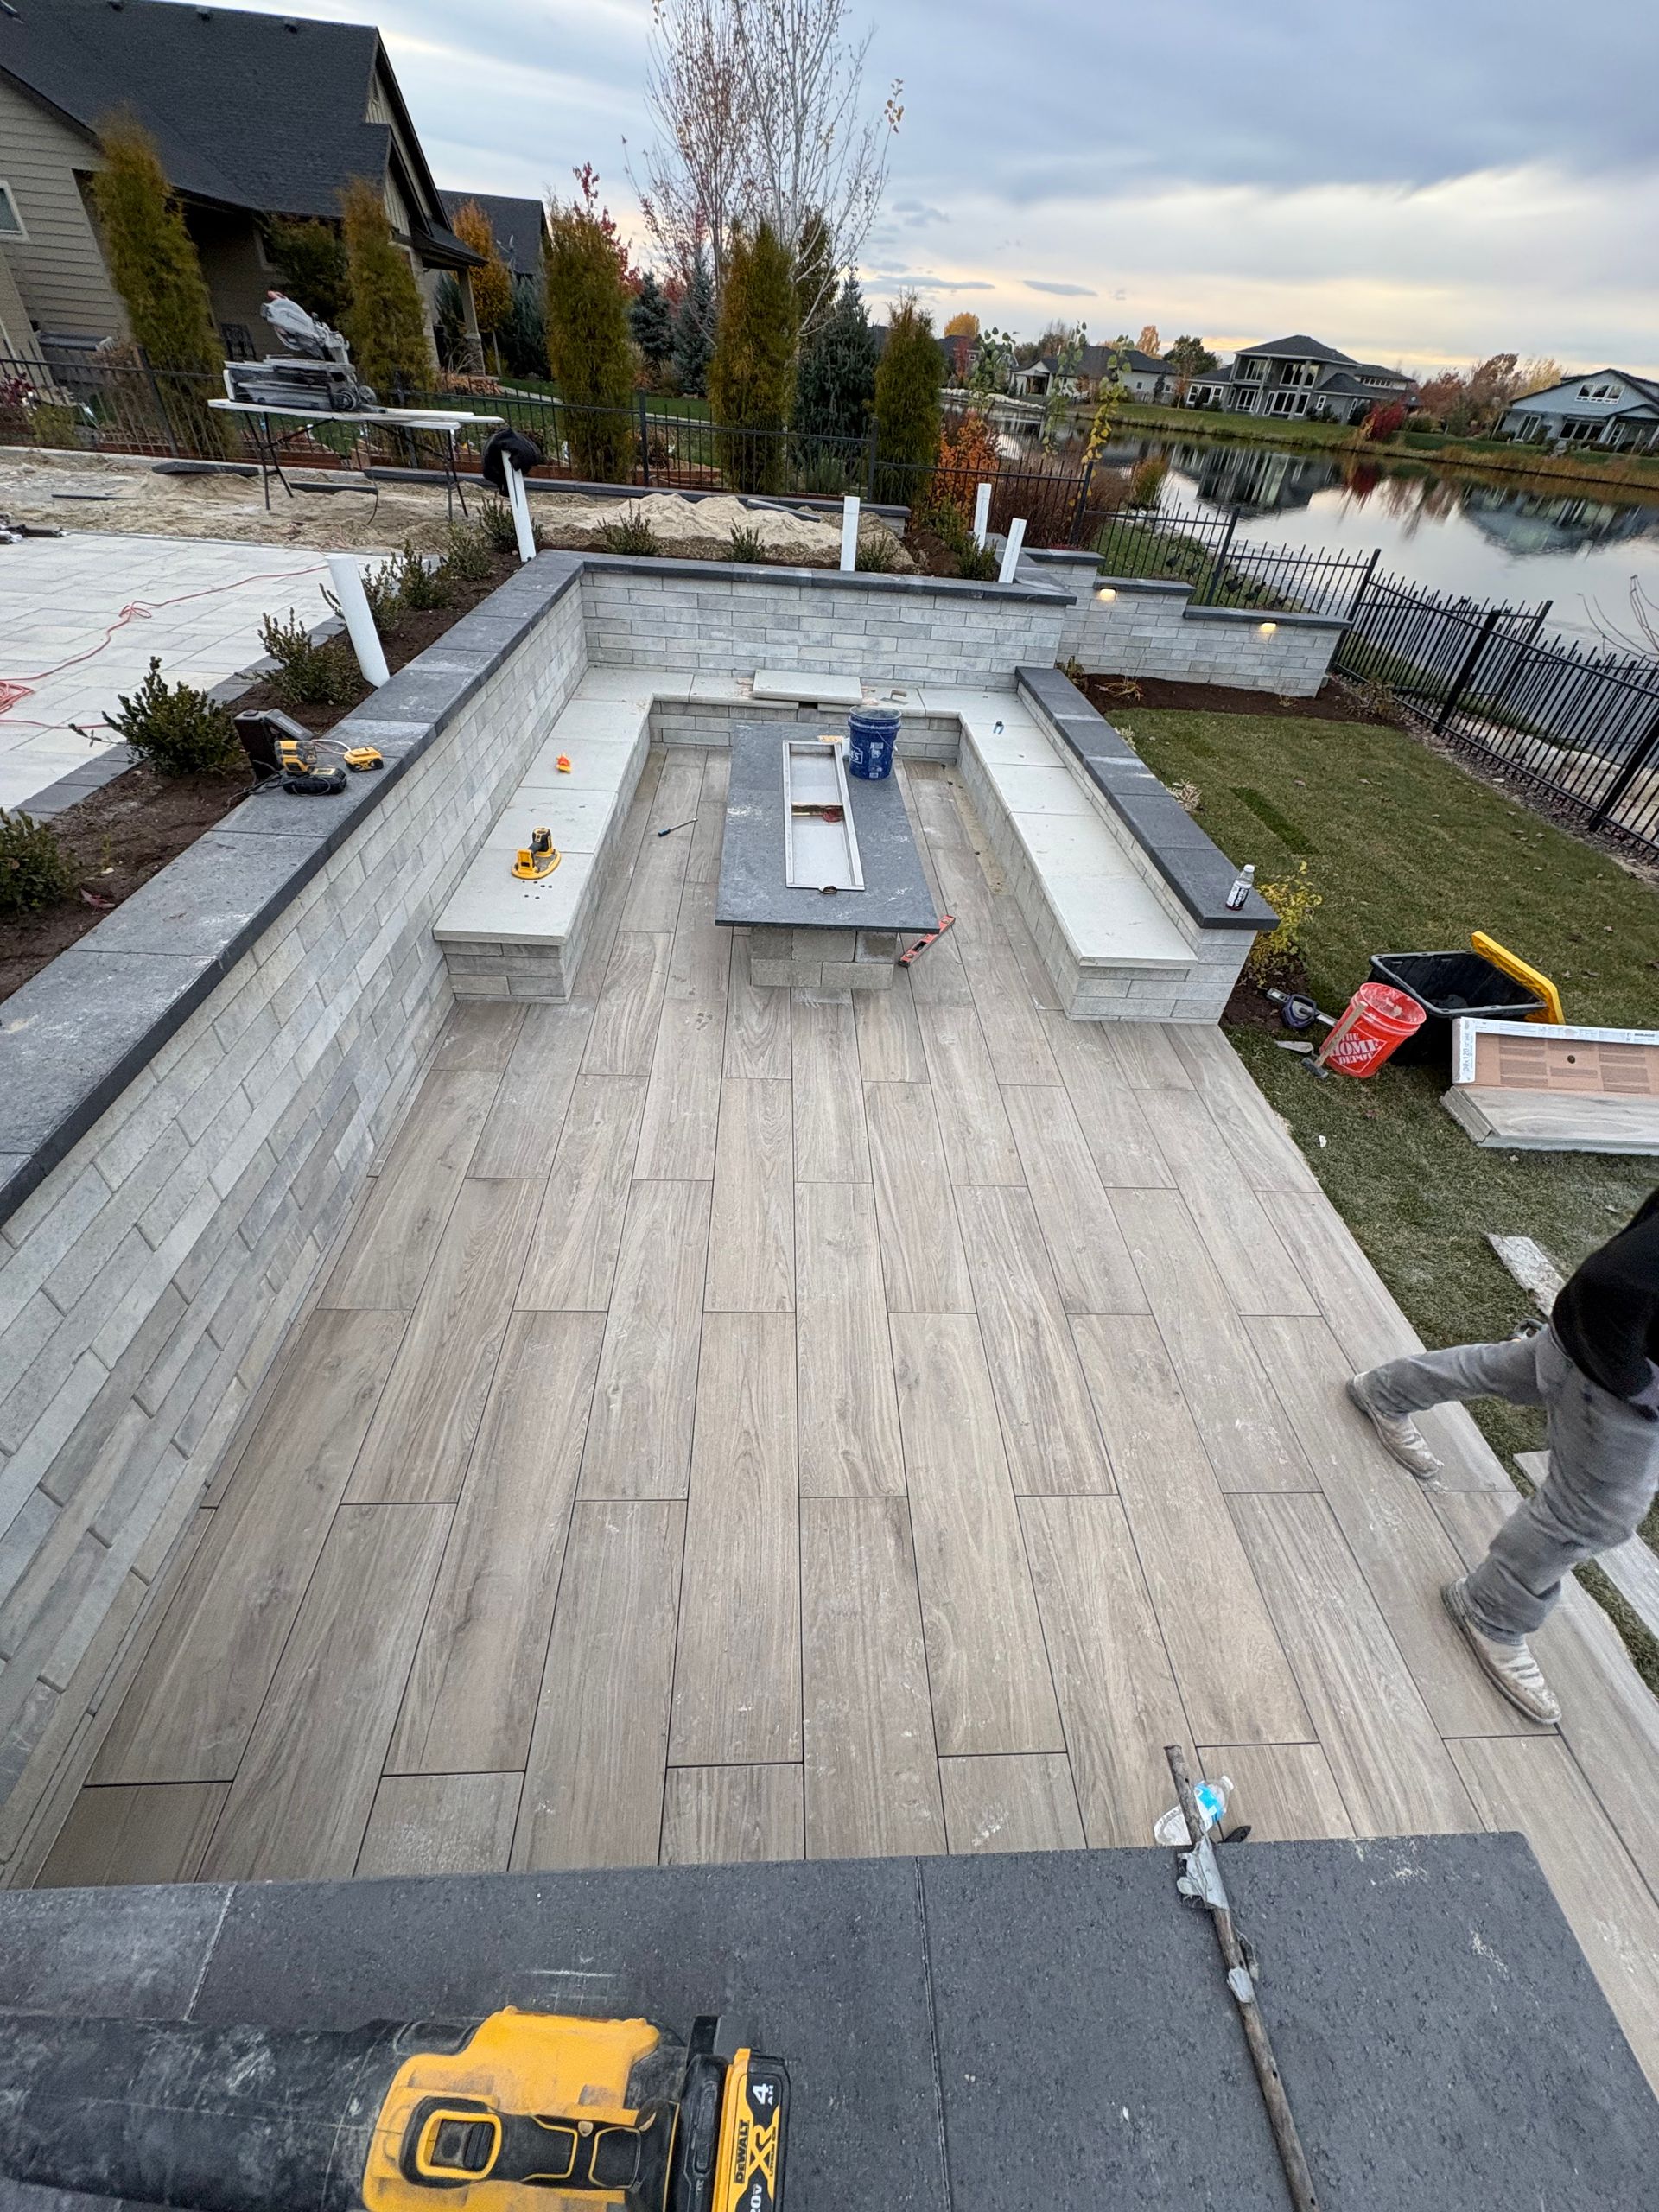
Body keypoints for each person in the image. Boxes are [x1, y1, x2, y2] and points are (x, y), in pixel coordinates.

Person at [1347, 1191, 1659, 1726]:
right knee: (1590, 1514)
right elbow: (1614, 1284)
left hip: (1592, 1346)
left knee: (1509, 1369)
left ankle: (1386, 1391)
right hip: (1614, 1378)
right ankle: (1490, 1611)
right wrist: (1636, 1384)